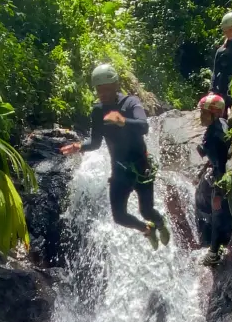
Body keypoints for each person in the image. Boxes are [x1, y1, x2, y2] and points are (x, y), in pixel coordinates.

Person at [60, 64, 170, 250]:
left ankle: (159, 223)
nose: (103, 93)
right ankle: (147, 230)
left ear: (115, 85)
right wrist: (79, 146)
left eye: (107, 89)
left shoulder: (130, 103)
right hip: (119, 171)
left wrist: (122, 121)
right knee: (119, 217)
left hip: (141, 168)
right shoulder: (97, 111)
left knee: (146, 210)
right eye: (99, 89)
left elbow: (144, 126)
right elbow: (95, 143)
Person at [195, 93, 232, 267]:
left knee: (217, 211)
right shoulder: (221, 124)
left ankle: (214, 253)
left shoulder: (213, 135)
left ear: (214, 114)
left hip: (221, 178)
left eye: (204, 113)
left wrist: (217, 183)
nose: (200, 116)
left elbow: (217, 158)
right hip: (222, 174)